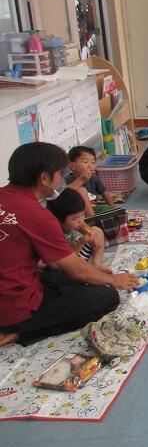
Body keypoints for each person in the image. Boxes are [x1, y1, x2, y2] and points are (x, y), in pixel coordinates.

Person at [0, 143, 139, 347]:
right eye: (59, 173)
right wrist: (114, 280)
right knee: (107, 297)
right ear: (44, 178)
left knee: (81, 280)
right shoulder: (38, 216)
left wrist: (95, 272)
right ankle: (21, 332)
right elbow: (77, 271)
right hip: (12, 308)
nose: (61, 180)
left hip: (16, 284)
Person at [47, 188, 113, 274]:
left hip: (81, 250)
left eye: (82, 215)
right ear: (58, 219)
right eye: (75, 218)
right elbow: (63, 260)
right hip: (70, 259)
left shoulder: (73, 224)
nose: (80, 220)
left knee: (97, 230)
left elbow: (85, 228)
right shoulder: (55, 233)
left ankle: (96, 263)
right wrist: (82, 242)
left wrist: (91, 235)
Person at [65, 146, 117, 215]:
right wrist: (81, 179)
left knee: (107, 209)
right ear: (73, 166)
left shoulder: (93, 177)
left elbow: (104, 193)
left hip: (94, 208)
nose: (90, 166)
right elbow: (65, 196)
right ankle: (93, 219)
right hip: (77, 212)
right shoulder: (68, 180)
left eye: (93, 162)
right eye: (85, 162)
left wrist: (114, 209)